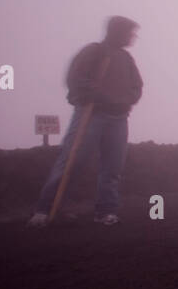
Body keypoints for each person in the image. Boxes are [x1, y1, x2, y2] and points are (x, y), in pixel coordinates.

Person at [28, 16, 143, 226]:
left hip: (119, 118)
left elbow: (137, 86)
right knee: (73, 159)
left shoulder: (126, 59)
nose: (133, 37)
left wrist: (124, 101)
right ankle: (45, 210)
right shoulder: (94, 51)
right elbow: (76, 79)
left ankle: (106, 211)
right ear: (117, 32)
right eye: (130, 32)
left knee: (112, 167)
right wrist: (100, 97)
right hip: (92, 114)